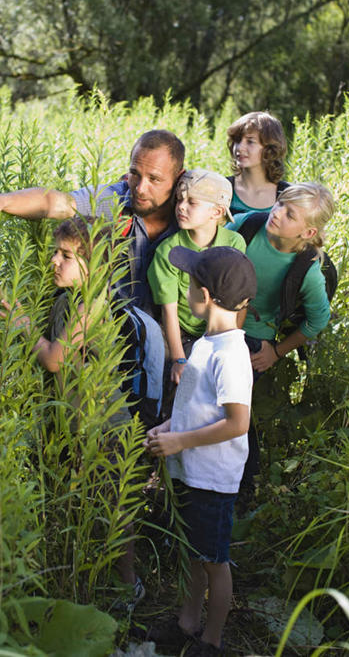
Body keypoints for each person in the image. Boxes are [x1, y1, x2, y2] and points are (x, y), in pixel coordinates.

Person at [0, 216, 144, 605]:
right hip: (78, 423)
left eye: (66, 255)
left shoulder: (93, 303)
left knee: (115, 509)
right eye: (55, 252)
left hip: (105, 425)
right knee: (90, 505)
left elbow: (55, 360)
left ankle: (129, 587)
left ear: (94, 265)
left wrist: (24, 326)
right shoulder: (67, 300)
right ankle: (96, 585)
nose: (54, 262)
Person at [145, 246, 256, 657]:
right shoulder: (207, 343)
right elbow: (196, 408)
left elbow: (237, 422)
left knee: (213, 560)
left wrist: (181, 441)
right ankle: (187, 621)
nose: (186, 289)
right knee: (193, 553)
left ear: (205, 296)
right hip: (190, 469)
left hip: (212, 477)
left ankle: (212, 640)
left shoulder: (231, 354)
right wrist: (168, 429)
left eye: (189, 283)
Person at [0, 129, 185, 315]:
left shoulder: (194, 210)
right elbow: (56, 202)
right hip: (109, 334)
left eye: (154, 179)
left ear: (178, 177)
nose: (140, 188)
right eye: (135, 173)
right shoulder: (115, 200)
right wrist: (3, 201)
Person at [147, 170, 246, 404]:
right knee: (176, 383)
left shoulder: (234, 244)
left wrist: (225, 342)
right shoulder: (168, 250)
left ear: (217, 211)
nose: (181, 207)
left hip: (215, 330)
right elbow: (168, 311)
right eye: (179, 200)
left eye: (192, 202)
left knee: (210, 391)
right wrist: (179, 360)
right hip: (174, 330)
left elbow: (237, 303)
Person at [227, 182, 335, 371]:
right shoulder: (247, 223)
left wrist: (276, 352)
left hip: (251, 340)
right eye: (280, 203)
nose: (277, 212)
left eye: (290, 215)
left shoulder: (306, 270)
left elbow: (318, 319)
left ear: (308, 232)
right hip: (209, 321)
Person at [226, 111, 288, 215]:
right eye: (237, 140)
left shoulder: (287, 195)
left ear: (270, 148)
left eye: (250, 142)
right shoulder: (221, 189)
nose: (239, 148)